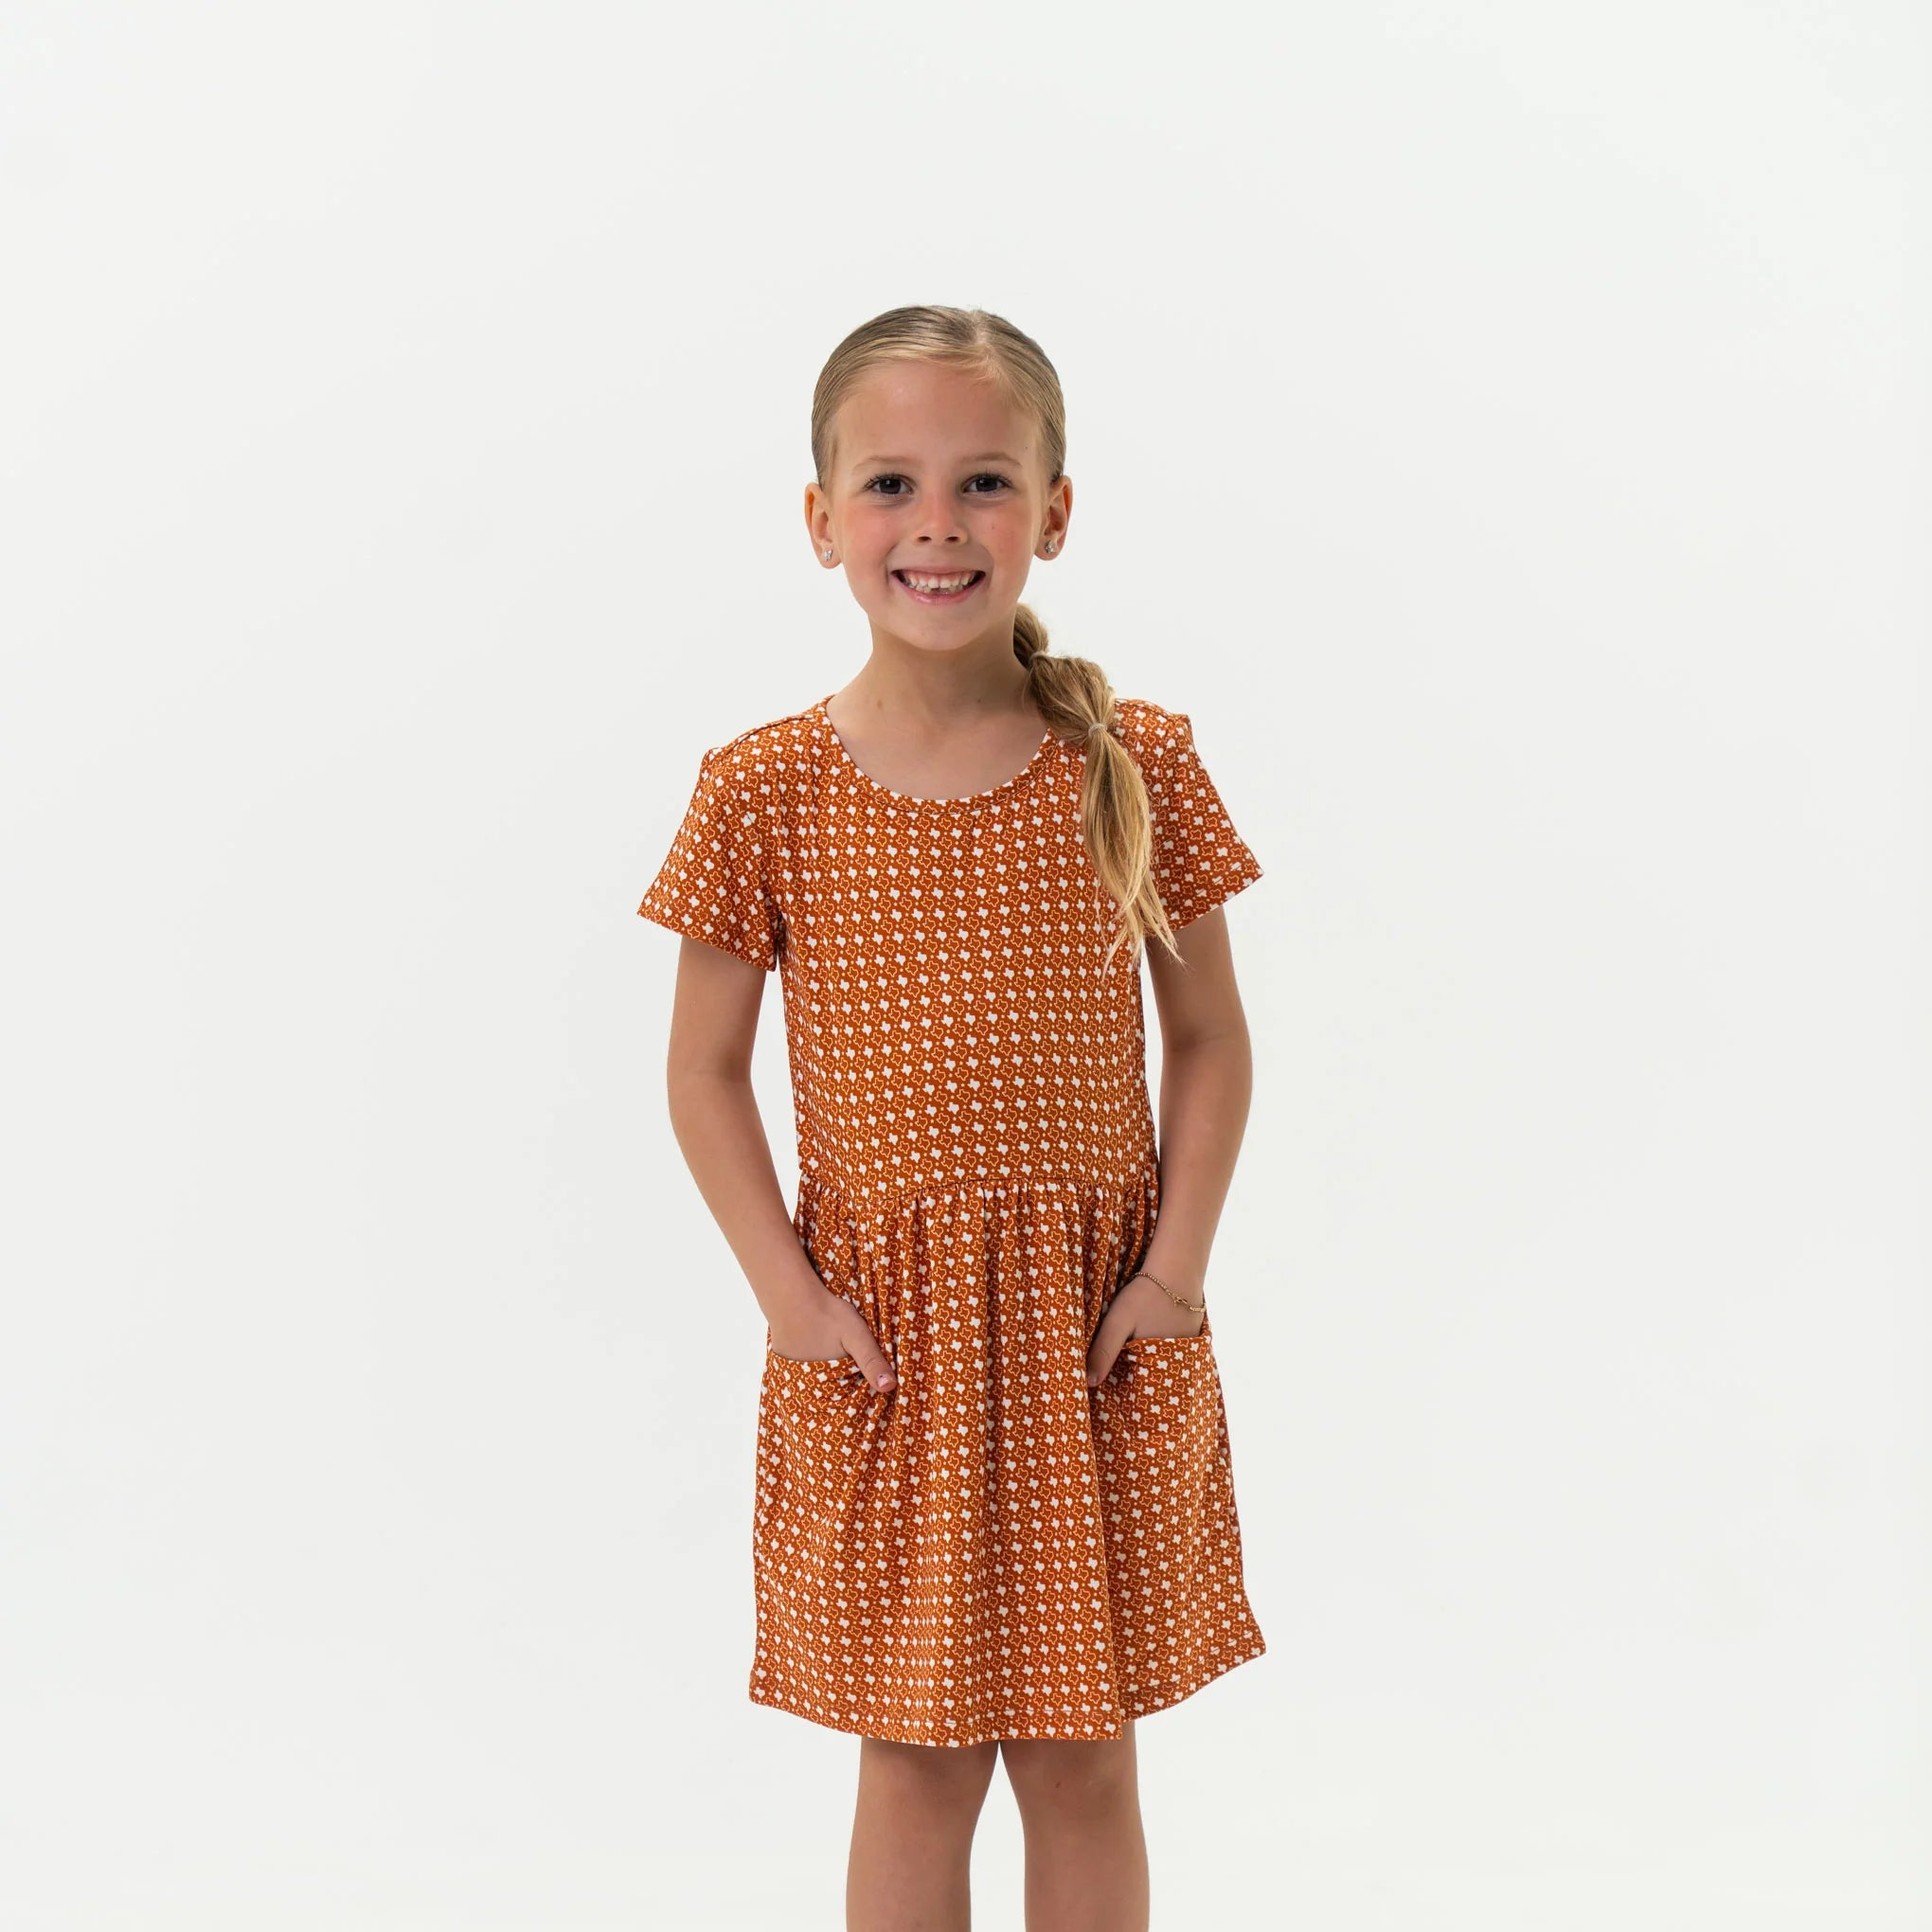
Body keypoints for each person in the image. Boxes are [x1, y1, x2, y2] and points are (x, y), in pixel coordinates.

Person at [635, 304, 1268, 1932]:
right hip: (889, 1351)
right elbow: (702, 1072)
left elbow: (1210, 1040)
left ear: (1054, 510)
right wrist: (794, 1303)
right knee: (914, 1765)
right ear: (821, 517)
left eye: (985, 481)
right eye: (890, 484)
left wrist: (1174, 1277)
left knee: (1085, 1760)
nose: (938, 523)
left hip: (1093, 1336)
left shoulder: (1134, 762)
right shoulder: (764, 787)